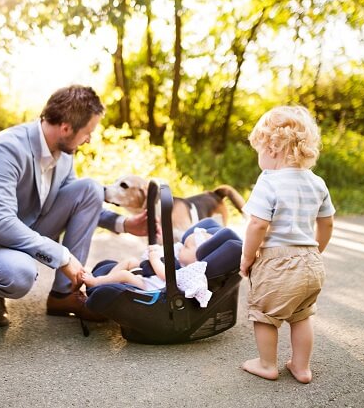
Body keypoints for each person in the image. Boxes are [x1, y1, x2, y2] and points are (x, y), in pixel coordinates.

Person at [0, 85, 150, 327]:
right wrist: (62, 257)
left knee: (91, 188)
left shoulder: (64, 154)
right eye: (87, 132)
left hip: (24, 225)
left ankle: (63, 296)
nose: (89, 139)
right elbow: (0, 225)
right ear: (65, 128)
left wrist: (123, 223)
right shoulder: (7, 148)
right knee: (19, 274)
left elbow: (79, 202)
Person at [239, 105, 335, 384]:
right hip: (311, 262)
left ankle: (267, 364)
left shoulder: (268, 181)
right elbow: (326, 224)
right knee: (301, 315)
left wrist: (247, 257)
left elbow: (258, 224)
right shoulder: (317, 182)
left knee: (265, 314)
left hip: (277, 263)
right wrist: (316, 251)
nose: (259, 157)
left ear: (272, 147)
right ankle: (302, 367)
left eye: (258, 150)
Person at [83, 218, 244, 307]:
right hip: (148, 278)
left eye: (186, 247)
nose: (181, 248)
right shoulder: (182, 260)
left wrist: (153, 259)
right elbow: (169, 254)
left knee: (125, 274)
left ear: (197, 257)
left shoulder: (189, 273)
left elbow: (165, 276)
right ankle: (106, 280)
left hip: (152, 289)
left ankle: (96, 282)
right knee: (130, 261)